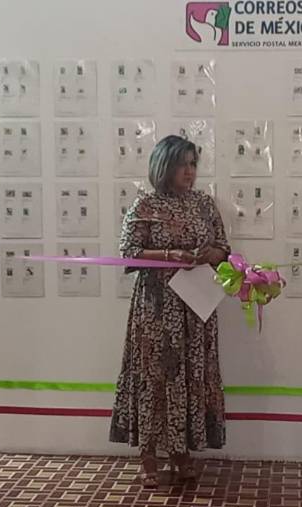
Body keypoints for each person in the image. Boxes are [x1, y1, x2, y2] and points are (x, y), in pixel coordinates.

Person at [111, 135, 230, 488]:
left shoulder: (204, 204)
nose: (189, 172)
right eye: (182, 165)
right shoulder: (146, 205)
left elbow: (223, 248)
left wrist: (210, 255)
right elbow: (128, 252)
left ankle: (181, 451)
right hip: (157, 308)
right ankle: (148, 455)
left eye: (193, 165)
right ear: (164, 166)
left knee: (191, 376)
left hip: (196, 307)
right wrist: (169, 256)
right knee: (154, 377)